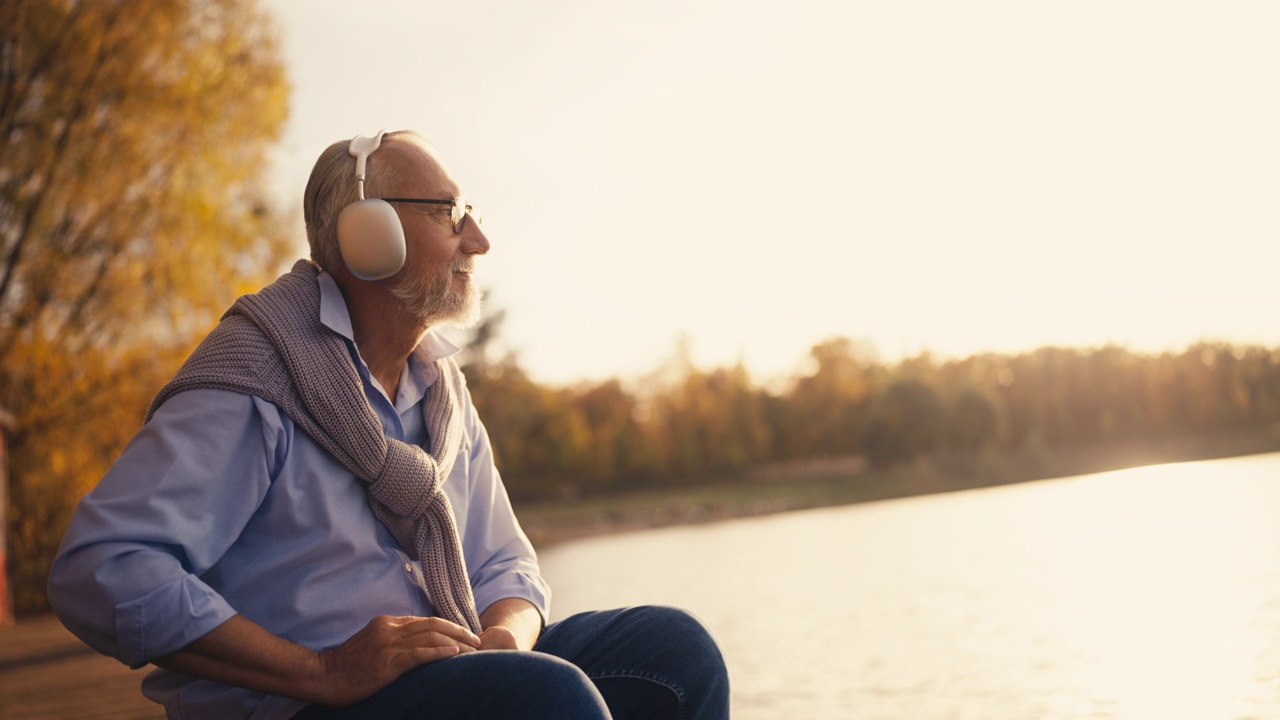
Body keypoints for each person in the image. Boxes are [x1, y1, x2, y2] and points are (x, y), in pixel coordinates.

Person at [48, 130, 730, 719]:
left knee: (677, 653)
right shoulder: (256, 372)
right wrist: (322, 672)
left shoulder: (440, 389)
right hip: (305, 706)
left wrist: (503, 641)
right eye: (451, 213)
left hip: (445, 673)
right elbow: (100, 569)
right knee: (547, 703)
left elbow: (507, 564)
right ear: (366, 234)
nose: (480, 240)